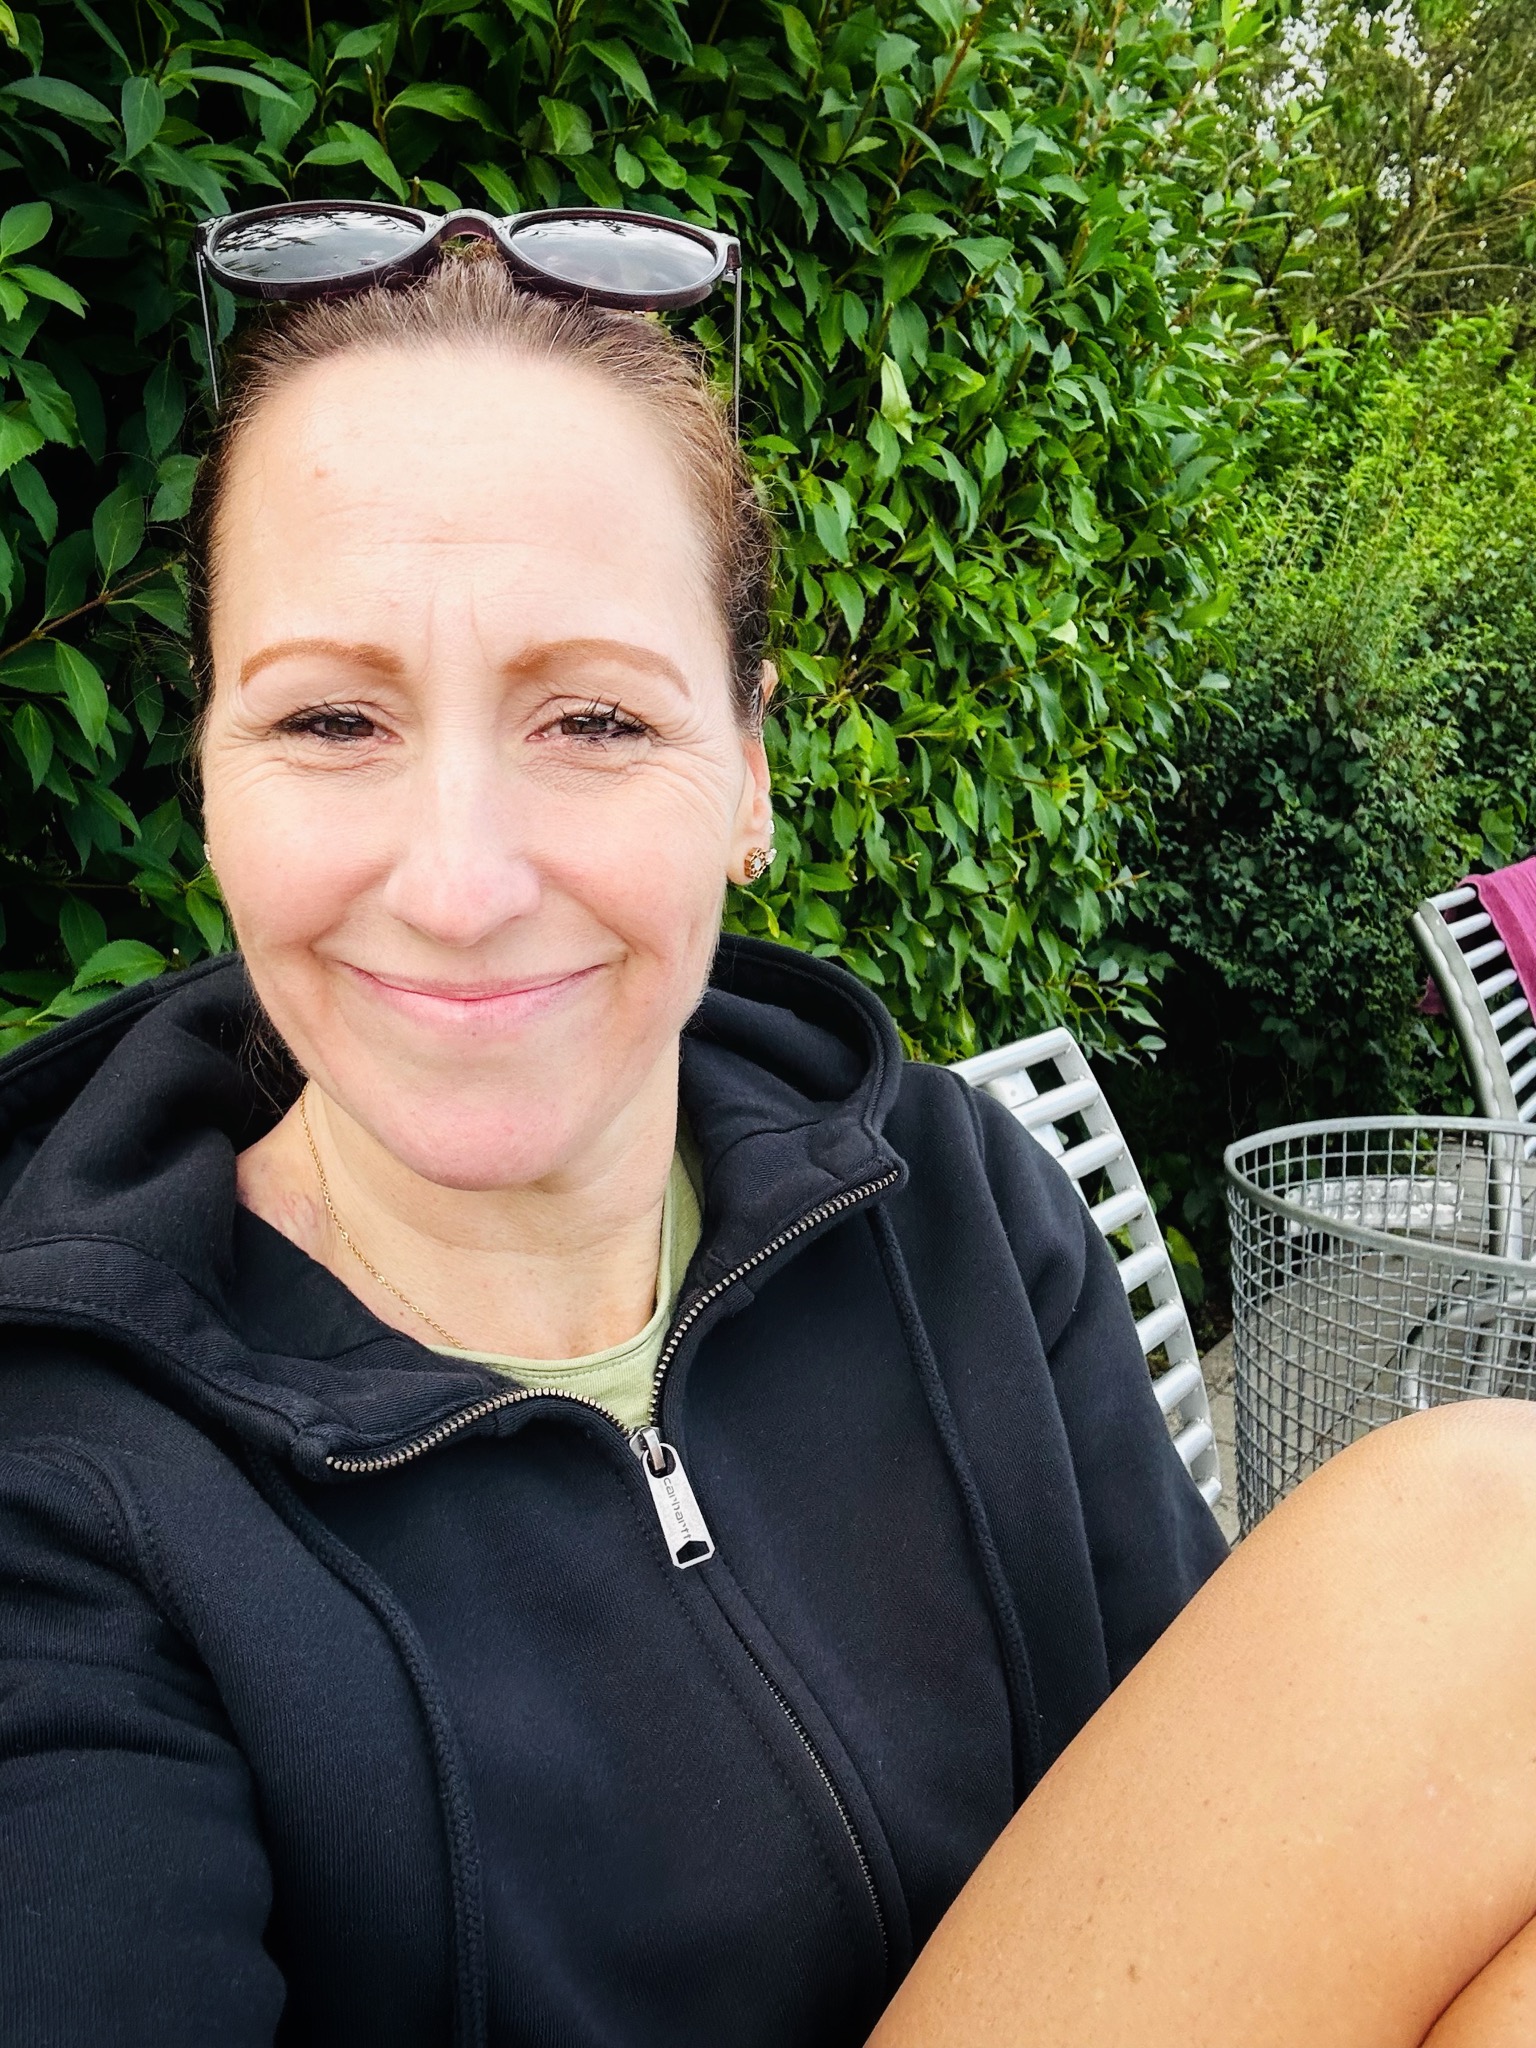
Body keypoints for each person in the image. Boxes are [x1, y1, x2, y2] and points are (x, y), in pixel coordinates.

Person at [3, 207, 1533, 2048]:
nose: (460, 885)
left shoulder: (955, 1206)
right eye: (331, 721)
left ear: (748, 773)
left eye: (592, 720)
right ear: (208, 777)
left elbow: (1238, 1827)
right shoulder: (57, 1492)